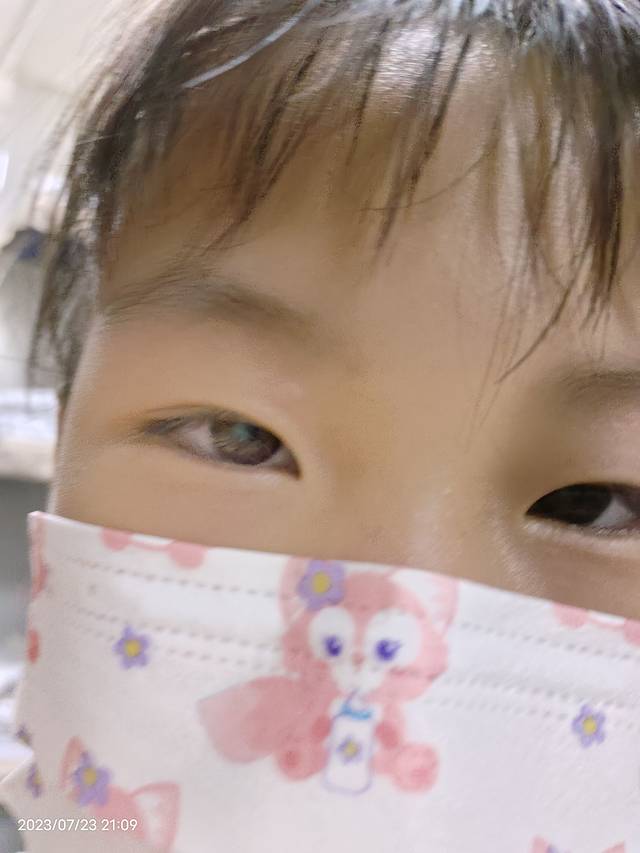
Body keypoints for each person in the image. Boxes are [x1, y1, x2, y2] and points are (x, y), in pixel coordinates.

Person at [2, 1, 640, 850]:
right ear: (65, 427)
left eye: (596, 502)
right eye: (241, 438)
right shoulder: (69, 807)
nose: (409, 589)